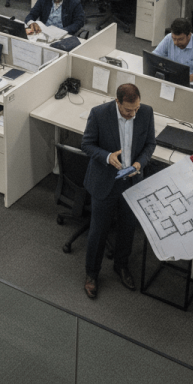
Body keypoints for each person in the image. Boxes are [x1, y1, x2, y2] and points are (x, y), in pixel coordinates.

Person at [82, 83, 156, 300]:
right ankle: (92, 274)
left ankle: (121, 266)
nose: (133, 114)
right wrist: (107, 156)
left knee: (127, 227)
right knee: (98, 230)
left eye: (136, 109)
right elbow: (86, 144)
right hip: (105, 180)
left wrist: (139, 164)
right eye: (127, 111)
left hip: (132, 180)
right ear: (117, 103)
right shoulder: (99, 114)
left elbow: (150, 144)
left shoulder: (146, 113)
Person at [152, 18, 193, 82]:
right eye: (174, 38)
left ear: (189, 35)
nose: (176, 42)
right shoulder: (169, 38)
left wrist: (185, 79)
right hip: (171, 78)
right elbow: (154, 56)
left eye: (180, 39)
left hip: (191, 81)